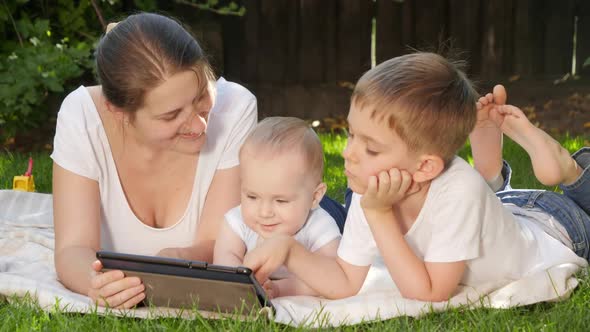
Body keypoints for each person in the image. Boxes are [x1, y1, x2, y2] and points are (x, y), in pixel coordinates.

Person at [242, 52, 590, 302]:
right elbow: (347, 282)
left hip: (557, 227)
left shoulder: (455, 190)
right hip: (502, 212)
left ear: (424, 168)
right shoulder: (371, 188)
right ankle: (491, 169)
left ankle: (571, 171)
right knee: (490, 202)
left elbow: (431, 292)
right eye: (350, 134)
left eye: (372, 149)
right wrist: (288, 249)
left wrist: (380, 216)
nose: (348, 153)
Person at [51, 13, 258, 309]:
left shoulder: (236, 108)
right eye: (171, 115)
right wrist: (95, 283)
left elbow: (222, 243)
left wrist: (179, 259)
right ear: (117, 111)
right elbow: (73, 249)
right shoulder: (82, 116)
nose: (199, 125)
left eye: (201, 96)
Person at [213, 117, 341, 298]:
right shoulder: (236, 221)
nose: (264, 212)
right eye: (252, 196)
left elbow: (332, 279)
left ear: (314, 196)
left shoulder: (319, 226)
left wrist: (282, 289)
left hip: (335, 213)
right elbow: (225, 260)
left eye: (280, 201)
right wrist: (244, 285)